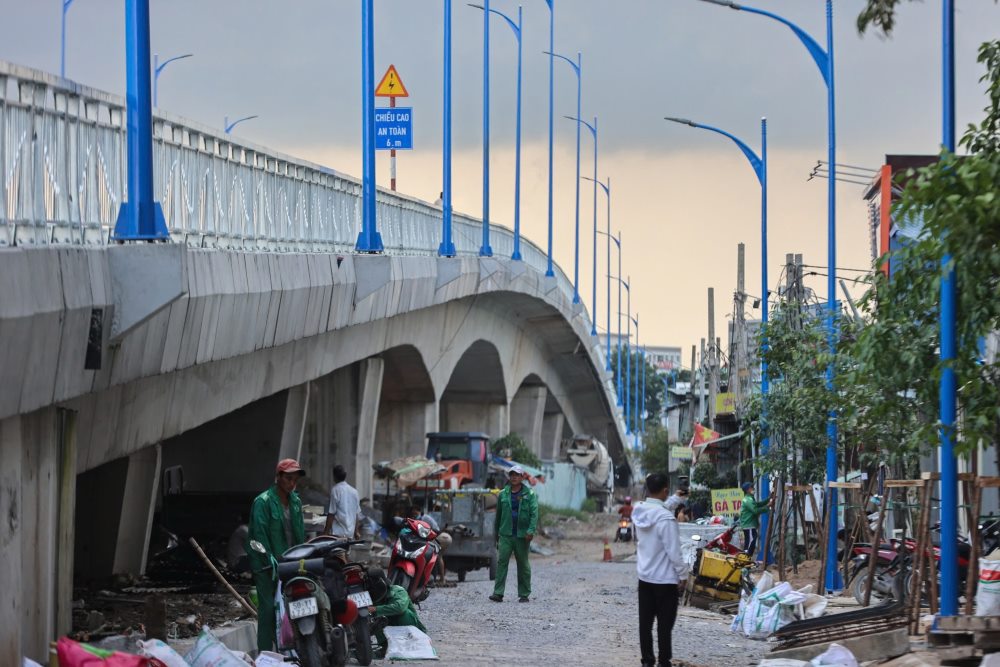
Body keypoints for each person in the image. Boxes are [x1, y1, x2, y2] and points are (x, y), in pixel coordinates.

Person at [247, 458, 307, 653]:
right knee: (268, 611)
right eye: (288, 478)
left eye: (295, 479)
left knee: (297, 604)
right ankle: (265, 654)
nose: (292, 483)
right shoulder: (262, 502)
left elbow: (300, 535)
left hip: (292, 562)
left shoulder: (296, 502)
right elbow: (258, 537)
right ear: (278, 478)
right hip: (267, 565)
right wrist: (269, 559)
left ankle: (297, 650)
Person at [632, 473, 688, 667]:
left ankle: (647, 660)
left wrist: (675, 499)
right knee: (665, 626)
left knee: (645, 624)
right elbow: (674, 552)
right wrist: (683, 575)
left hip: (645, 577)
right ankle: (664, 662)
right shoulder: (666, 519)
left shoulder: (638, 511)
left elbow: (658, 507)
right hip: (665, 581)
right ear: (665, 490)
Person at [489, 465, 538, 603]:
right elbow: (498, 516)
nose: (514, 477)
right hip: (506, 534)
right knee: (502, 562)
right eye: (512, 475)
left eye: (517, 475)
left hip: (523, 535)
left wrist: (531, 530)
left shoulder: (530, 494)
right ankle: (498, 593)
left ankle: (524, 594)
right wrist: (496, 535)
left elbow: (534, 514)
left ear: (522, 477)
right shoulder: (503, 494)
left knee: (523, 564)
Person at [367, 568, 427, 655]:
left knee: (403, 614)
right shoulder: (372, 598)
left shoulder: (398, 590)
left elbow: (400, 608)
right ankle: (385, 645)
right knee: (377, 620)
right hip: (389, 633)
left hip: (411, 631)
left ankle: (410, 640)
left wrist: (376, 609)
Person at [325, 464, 361, 538]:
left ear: (334, 476)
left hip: (338, 533)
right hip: (350, 534)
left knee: (337, 550)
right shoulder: (355, 492)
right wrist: (356, 532)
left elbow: (331, 513)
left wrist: (326, 532)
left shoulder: (335, 490)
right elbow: (356, 514)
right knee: (347, 550)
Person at [739, 481, 773, 558]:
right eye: (751, 488)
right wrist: (767, 506)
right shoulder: (748, 500)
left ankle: (746, 561)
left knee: (750, 543)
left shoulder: (750, 499)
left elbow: (758, 504)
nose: (753, 489)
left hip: (749, 525)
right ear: (747, 490)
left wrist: (768, 499)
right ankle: (745, 560)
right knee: (750, 543)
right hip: (749, 525)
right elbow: (755, 510)